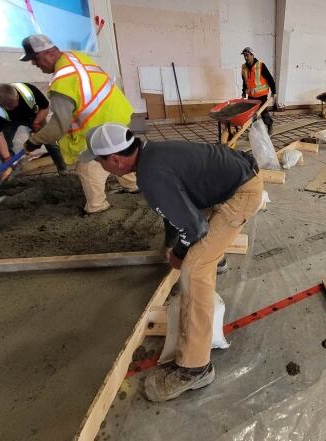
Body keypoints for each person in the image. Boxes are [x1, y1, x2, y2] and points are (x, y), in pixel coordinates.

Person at [83, 123, 264, 402]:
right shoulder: (152, 154)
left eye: (99, 160)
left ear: (115, 160)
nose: (99, 165)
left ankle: (196, 369)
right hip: (232, 179)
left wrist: (180, 254)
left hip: (240, 193)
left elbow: (193, 229)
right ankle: (216, 256)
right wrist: (171, 244)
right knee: (196, 251)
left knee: (194, 269)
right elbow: (175, 209)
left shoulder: (151, 176)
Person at [19, 34, 138, 214]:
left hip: (96, 125)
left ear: (48, 53)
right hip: (117, 114)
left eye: (35, 60)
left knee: (88, 167)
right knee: (118, 152)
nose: (35, 64)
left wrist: (34, 141)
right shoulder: (75, 57)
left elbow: (58, 126)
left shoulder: (61, 83)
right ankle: (133, 185)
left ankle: (97, 206)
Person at [0, 83, 65, 179]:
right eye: (9, 105)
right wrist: (7, 158)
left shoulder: (29, 91)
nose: (14, 106)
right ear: (0, 104)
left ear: (17, 95)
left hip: (33, 116)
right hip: (8, 121)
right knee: (5, 147)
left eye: (14, 102)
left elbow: (45, 108)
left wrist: (36, 123)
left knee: (48, 140)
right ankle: (12, 175)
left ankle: (63, 170)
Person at [240, 47, 276, 133]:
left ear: (252, 55)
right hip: (251, 96)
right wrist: (243, 92)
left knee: (263, 113)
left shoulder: (260, 65)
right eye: (244, 56)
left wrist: (274, 92)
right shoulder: (244, 67)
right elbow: (245, 81)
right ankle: (255, 132)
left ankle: (269, 125)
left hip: (261, 95)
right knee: (251, 115)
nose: (246, 58)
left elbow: (270, 79)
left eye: (247, 55)